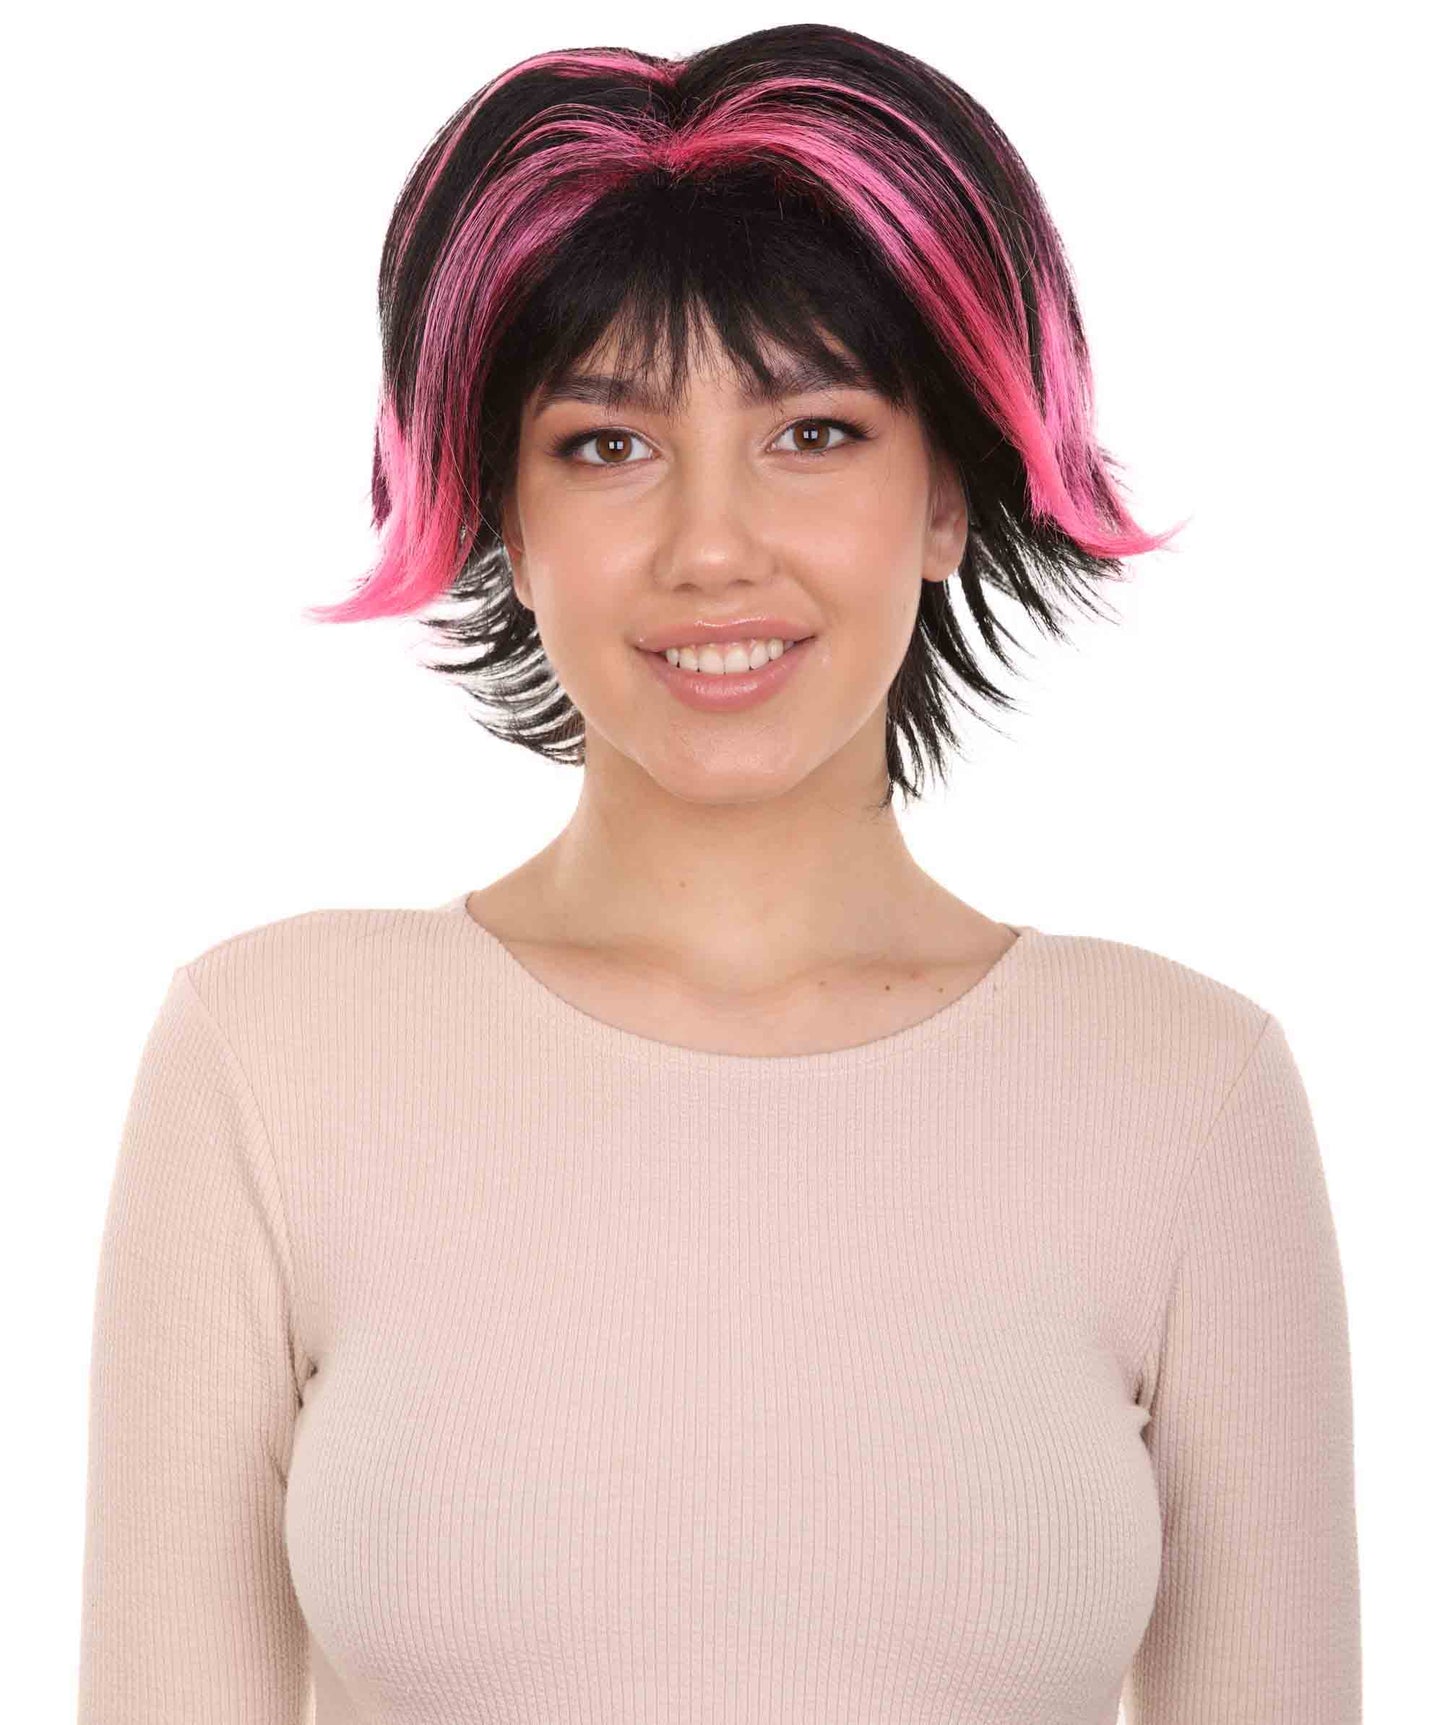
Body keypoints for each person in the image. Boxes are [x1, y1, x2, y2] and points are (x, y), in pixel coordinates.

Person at [77, 23, 1361, 1724]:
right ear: (503, 513)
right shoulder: (270, 1057)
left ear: (946, 495)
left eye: (813, 431)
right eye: (605, 445)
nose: (709, 546)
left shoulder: (1185, 1089)